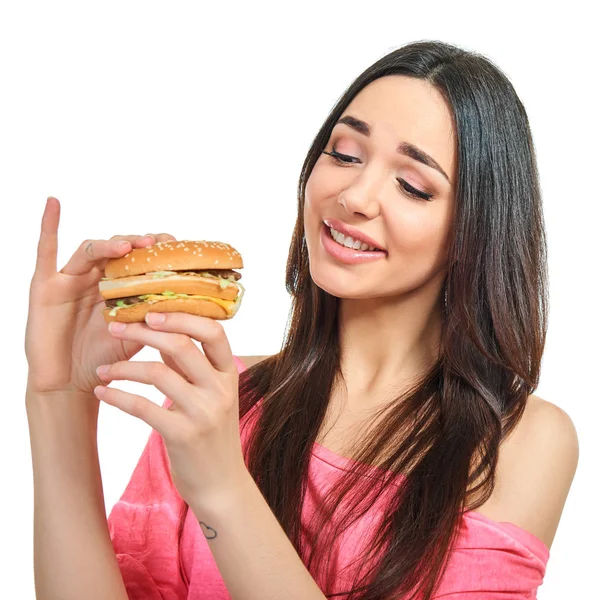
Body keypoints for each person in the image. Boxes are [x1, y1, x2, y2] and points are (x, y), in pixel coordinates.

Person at [25, 40, 579, 599]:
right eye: (344, 154)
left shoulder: (523, 442)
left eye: (412, 185)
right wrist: (58, 398)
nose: (355, 196)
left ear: (475, 229)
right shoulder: (220, 398)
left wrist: (222, 486)